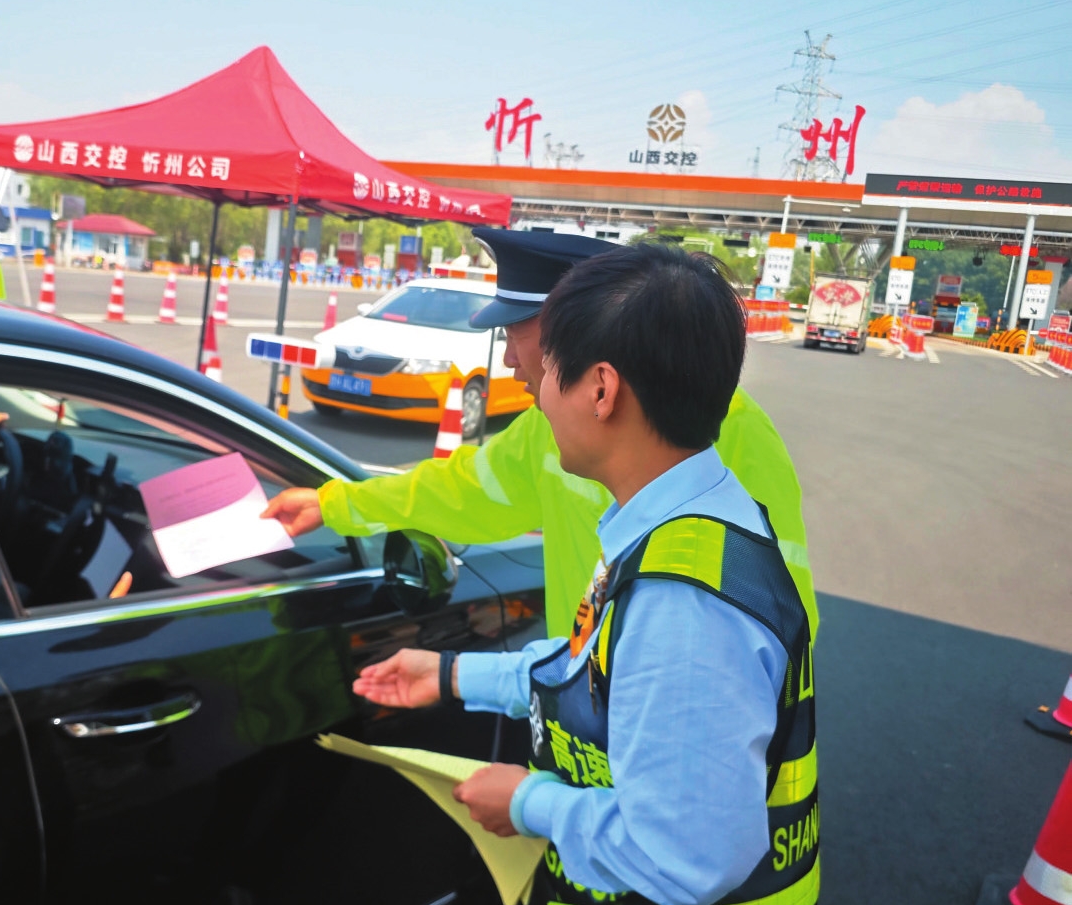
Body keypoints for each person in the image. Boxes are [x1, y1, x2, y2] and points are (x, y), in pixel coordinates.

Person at [354, 245, 819, 905]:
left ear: (601, 390)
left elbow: (688, 856)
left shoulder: (681, 598)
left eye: (549, 371)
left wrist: (529, 802)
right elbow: (597, 669)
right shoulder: (679, 522)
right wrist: (451, 676)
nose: (538, 395)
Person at [261, 227, 819, 646]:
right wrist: (336, 504)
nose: (509, 359)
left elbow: (777, 623)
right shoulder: (546, 429)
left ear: (583, 342)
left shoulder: (732, 432)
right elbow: (462, 489)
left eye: (518, 335)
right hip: (584, 719)